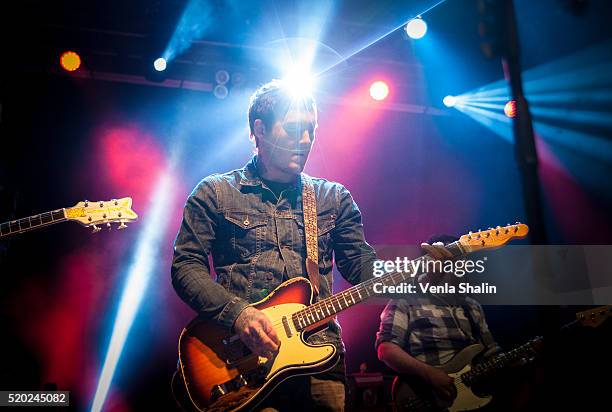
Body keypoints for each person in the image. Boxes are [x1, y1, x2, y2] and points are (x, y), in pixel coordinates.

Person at [171, 79, 452, 411]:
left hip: (320, 359)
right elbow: (185, 266)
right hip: (242, 361)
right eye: (293, 129)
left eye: (310, 130)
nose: (304, 141)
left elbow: (361, 267)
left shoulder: (332, 198)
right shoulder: (215, 192)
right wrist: (240, 315)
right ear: (259, 129)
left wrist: (414, 274)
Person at [376, 234, 502, 407]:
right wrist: (429, 374)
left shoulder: (472, 306)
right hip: (425, 396)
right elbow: (386, 349)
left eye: (460, 258)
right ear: (429, 264)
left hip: (470, 395)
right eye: (447, 258)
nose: (456, 264)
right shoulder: (406, 300)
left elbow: (490, 352)